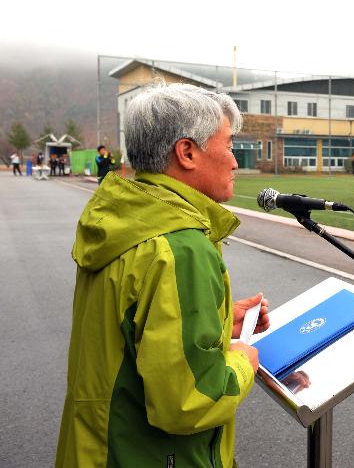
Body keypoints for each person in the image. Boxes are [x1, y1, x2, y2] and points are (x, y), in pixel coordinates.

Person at [56, 83, 270, 467]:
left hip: (98, 448)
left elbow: (132, 332)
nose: (236, 162)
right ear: (187, 152)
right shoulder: (180, 247)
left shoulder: (124, 221)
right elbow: (188, 401)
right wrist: (242, 360)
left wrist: (218, 322)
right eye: (228, 146)